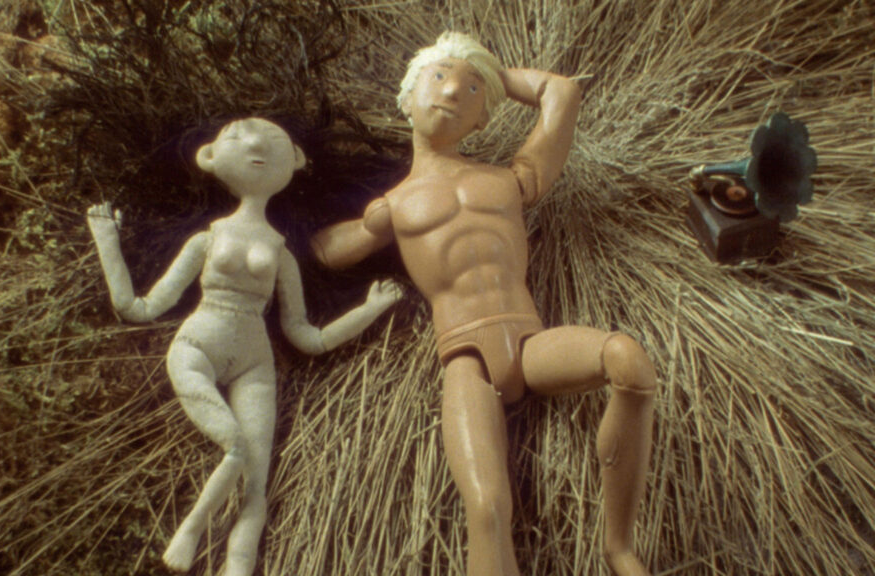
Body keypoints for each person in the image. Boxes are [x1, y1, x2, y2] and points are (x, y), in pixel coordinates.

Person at [311, 32, 657, 576]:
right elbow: (323, 252)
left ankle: (618, 547)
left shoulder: (510, 180)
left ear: (482, 121)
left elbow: (561, 92)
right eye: (438, 77)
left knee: (628, 360)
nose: (452, 91)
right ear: (407, 96)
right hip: (465, 358)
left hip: (531, 341)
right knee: (489, 506)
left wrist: (490, 73)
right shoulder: (392, 207)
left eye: (471, 90)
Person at [87, 117, 401, 575]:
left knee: (256, 485)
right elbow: (138, 307)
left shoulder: (281, 253)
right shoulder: (207, 239)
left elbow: (308, 337)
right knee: (234, 448)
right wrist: (106, 240)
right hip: (196, 347)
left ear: (295, 161)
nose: (255, 143)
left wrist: (370, 309)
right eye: (237, 137)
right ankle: (192, 528)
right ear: (210, 157)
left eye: (273, 140)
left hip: (256, 363)